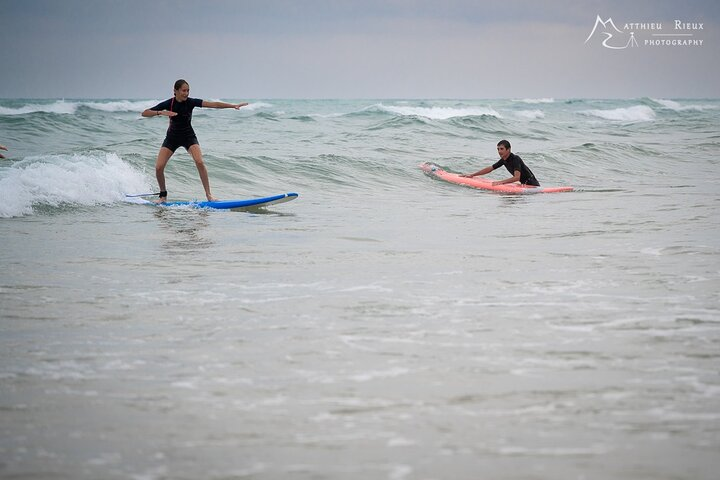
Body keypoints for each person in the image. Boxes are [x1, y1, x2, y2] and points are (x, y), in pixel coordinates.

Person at [142, 79, 248, 202]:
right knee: (159, 167)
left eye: (188, 90)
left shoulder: (191, 102)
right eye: (183, 90)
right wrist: (161, 112)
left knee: (199, 162)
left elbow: (214, 105)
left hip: (188, 136)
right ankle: (163, 195)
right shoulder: (169, 103)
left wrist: (232, 106)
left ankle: (209, 195)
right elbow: (145, 113)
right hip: (172, 138)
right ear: (175, 91)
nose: (186, 93)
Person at [461, 139, 540, 186]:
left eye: (501, 149)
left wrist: (501, 182)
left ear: (508, 149)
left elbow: (517, 177)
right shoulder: (504, 159)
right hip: (525, 185)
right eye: (498, 149)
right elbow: (490, 168)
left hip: (532, 186)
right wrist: (472, 175)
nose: (499, 151)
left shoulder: (515, 159)